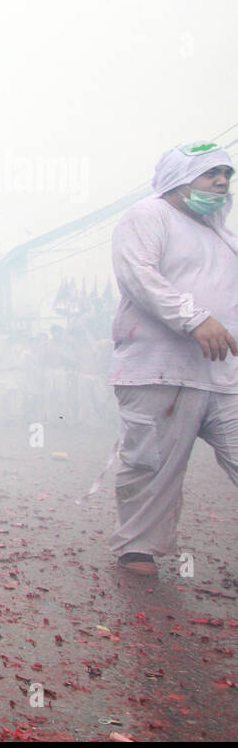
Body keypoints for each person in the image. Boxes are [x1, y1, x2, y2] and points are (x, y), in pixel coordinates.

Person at [107, 141, 238, 577]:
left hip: (223, 375)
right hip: (159, 371)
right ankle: (137, 551)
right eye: (210, 173)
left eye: (227, 173)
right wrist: (195, 319)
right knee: (151, 468)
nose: (222, 181)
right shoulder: (148, 215)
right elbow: (139, 277)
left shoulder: (223, 234)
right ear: (179, 180)